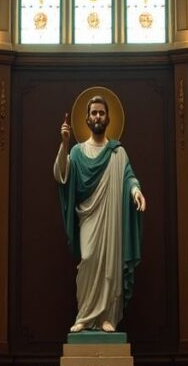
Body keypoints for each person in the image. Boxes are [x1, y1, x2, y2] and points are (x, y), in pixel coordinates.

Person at [55, 93, 145, 333]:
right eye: (93, 112)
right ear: (86, 118)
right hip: (88, 215)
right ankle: (84, 315)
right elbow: (62, 176)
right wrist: (64, 143)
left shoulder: (118, 152)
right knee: (89, 259)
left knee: (110, 265)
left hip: (111, 217)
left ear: (107, 118)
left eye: (101, 113)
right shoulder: (76, 151)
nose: (97, 116)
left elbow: (128, 177)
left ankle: (108, 316)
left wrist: (136, 191)